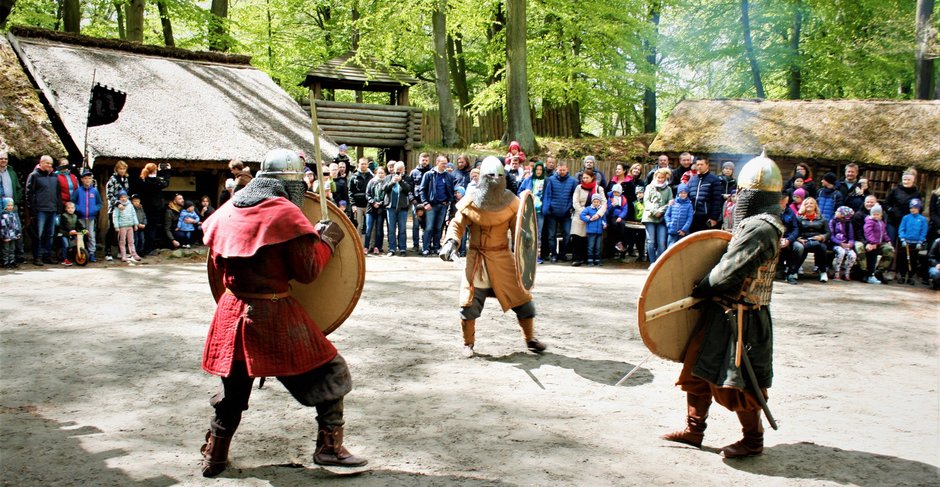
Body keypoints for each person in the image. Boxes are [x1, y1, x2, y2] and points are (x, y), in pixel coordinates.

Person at [199, 148, 367, 477]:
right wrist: (326, 242)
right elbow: (307, 271)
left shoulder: (230, 208)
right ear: (290, 183)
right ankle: (329, 448)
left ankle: (214, 456)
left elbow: (218, 266)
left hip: (231, 313)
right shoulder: (284, 215)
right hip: (272, 314)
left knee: (233, 391)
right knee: (333, 372)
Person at [662, 152, 785, 459]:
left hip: (744, 317)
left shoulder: (761, 227)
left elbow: (729, 270)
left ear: (753, 195)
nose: (738, 197)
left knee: (738, 383)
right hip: (722, 310)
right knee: (696, 369)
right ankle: (694, 430)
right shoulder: (755, 223)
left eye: (743, 193)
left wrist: (702, 288)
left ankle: (752, 439)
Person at [439, 156, 547, 358]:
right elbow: (457, 223)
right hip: (477, 259)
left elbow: (521, 229)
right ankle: (468, 344)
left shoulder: (511, 202)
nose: (495, 179)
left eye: (499, 175)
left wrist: (528, 241)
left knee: (523, 301)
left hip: (503, 259)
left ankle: (530, 339)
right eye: (490, 175)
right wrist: (451, 242)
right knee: (468, 304)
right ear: (482, 177)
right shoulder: (471, 200)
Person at [25, 155, 62, 265]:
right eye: (47, 163)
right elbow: (29, 194)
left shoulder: (55, 177)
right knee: (38, 235)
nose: (49, 166)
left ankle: (47, 255)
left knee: (50, 235)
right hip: (40, 210)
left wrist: (59, 208)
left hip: (53, 209)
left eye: (51, 164)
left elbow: (58, 194)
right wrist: (33, 210)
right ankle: (38, 257)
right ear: (41, 163)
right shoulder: (34, 176)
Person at [418, 155, 456, 256]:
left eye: (446, 163)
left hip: (443, 206)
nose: (445, 165)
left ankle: (436, 247)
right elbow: (422, 189)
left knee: (439, 227)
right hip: (431, 205)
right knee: (429, 227)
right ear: (437, 163)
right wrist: (425, 203)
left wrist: (448, 200)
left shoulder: (448, 176)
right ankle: (425, 248)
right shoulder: (429, 175)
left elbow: (450, 190)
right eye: (443, 163)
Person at [541, 161, 578, 262]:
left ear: (567, 169)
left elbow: (575, 197)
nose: (562, 172)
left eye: (563, 170)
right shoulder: (550, 180)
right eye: (560, 170)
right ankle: (553, 254)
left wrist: (571, 208)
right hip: (552, 213)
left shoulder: (573, 181)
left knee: (567, 235)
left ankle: (563, 254)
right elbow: (547, 195)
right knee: (551, 235)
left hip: (566, 214)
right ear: (557, 170)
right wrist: (547, 209)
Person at [569, 170, 606, 267]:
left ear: (592, 178)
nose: (585, 180)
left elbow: (604, 203)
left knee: (589, 238)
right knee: (576, 236)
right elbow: (575, 202)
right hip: (579, 214)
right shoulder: (578, 188)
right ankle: (576, 258)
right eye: (583, 178)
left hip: (594, 216)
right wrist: (584, 212)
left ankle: (587, 258)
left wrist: (597, 215)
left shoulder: (599, 189)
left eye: (587, 178)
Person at [136, 163, 170, 254]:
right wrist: (166, 171)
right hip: (154, 208)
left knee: (143, 227)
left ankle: (140, 248)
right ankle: (148, 248)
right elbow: (165, 183)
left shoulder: (142, 180)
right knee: (151, 228)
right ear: (155, 171)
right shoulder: (156, 181)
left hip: (144, 207)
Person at [795, 197, 831, 282]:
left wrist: (822, 237)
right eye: (807, 203)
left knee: (822, 248)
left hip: (817, 240)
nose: (809, 205)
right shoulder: (798, 218)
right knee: (801, 248)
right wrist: (798, 238)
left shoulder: (822, 218)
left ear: (815, 206)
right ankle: (794, 271)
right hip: (804, 240)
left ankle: (822, 271)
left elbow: (828, 232)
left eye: (811, 203)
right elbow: (794, 230)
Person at [519, 161, 547, 263]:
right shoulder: (528, 180)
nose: (538, 171)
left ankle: (536, 256)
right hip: (529, 211)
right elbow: (520, 192)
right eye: (537, 169)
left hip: (540, 211)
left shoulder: (546, 181)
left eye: (540, 170)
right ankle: (526, 255)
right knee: (527, 233)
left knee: (538, 234)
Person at [642, 168, 672, 264]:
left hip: (662, 218)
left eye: (662, 177)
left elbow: (670, 203)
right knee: (651, 241)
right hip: (650, 217)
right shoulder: (649, 187)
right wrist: (655, 211)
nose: (660, 179)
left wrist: (661, 211)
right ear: (655, 177)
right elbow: (646, 201)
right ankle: (652, 262)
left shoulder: (668, 189)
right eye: (658, 177)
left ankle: (659, 263)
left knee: (662, 243)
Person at [0, 151, 26, 264]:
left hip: (11, 205)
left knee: (16, 230)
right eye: (1, 158)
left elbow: (19, 187)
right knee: (2, 231)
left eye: (5, 158)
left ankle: (18, 256)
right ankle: (4, 258)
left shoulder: (11, 172)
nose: (4, 160)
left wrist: (16, 200)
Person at [71, 169, 101, 263]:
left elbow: (99, 203)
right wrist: (78, 208)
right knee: (80, 236)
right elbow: (72, 202)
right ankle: (80, 252)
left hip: (91, 218)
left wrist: (95, 209)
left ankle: (91, 253)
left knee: (91, 235)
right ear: (82, 180)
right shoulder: (78, 191)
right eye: (85, 178)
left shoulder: (94, 191)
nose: (87, 180)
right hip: (80, 218)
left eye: (89, 178)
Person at [104, 160, 131, 261]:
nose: (122, 170)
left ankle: (121, 251)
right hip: (114, 208)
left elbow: (126, 193)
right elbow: (109, 195)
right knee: (112, 229)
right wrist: (117, 203)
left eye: (124, 168)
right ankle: (108, 251)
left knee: (123, 230)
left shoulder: (126, 179)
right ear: (116, 169)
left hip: (124, 208)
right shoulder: (112, 180)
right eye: (120, 168)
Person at [687, 158, 723, 233]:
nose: (699, 166)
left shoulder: (714, 180)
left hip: (706, 217)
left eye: (702, 164)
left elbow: (717, 200)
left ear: (707, 165)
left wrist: (714, 217)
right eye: (698, 165)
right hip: (692, 217)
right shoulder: (692, 180)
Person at [884, 170, 921, 244]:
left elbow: (919, 208)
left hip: (908, 223)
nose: (906, 182)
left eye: (908, 180)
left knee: (904, 245)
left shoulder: (916, 193)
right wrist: (892, 210)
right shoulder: (895, 190)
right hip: (893, 221)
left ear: (913, 180)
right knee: (890, 243)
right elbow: (886, 204)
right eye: (904, 179)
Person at [384, 161, 412, 256]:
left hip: (402, 207)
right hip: (390, 207)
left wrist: (400, 181)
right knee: (391, 229)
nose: (398, 172)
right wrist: (392, 182)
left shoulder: (407, 178)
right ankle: (392, 249)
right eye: (397, 170)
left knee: (402, 229)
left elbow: (408, 189)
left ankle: (403, 249)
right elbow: (384, 189)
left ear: (404, 170)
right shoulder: (388, 178)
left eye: (400, 170)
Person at [897, 199, 928, 285]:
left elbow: (923, 231)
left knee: (913, 261)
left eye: (915, 208)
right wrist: (902, 239)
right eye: (911, 208)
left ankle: (911, 277)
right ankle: (902, 276)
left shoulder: (922, 219)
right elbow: (901, 229)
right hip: (906, 243)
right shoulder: (906, 218)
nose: (913, 209)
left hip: (916, 244)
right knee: (903, 260)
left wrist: (920, 241)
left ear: (919, 208)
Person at [862, 204, 893, 284]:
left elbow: (884, 233)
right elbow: (868, 233)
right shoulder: (869, 221)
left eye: (877, 214)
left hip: (878, 243)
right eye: (874, 214)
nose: (875, 216)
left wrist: (888, 240)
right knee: (872, 257)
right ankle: (870, 275)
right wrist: (873, 242)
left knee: (888, 251)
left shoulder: (881, 223)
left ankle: (878, 272)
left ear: (881, 214)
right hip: (871, 243)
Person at [409, 153, 432, 251]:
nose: (425, 162)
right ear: (419, 160)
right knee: (416, 225)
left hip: (428, 203)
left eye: (426, 160)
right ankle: (415, 245)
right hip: (416, 203)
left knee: (428, 225)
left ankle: (426, 245)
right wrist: (412, 199)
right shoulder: (414, 172)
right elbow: (410, 187)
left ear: (429, 161)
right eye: (423, 160)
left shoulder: (432, 172)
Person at [778, 191, 803, 284]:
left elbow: (795, 228)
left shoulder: (790, 212)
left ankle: (791, 272)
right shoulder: (772, 211)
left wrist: (789, 239)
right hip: (775, 238)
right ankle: (778, 269)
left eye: (784, 201)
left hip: (788, 238)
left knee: (799, 247)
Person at [112, 191, 142, 261]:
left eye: (125, 197)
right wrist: (116, 226)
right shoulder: (118, 207)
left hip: (130, 226)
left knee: (131, 241)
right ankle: (123, 255)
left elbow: (134, 215)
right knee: (122, 241)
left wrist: (135, 224)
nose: (123, 198)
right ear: (119, 198)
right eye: (121, 197)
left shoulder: (130, 205)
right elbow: (115, 216)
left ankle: (134, 254)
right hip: (122, 226)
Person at [829, 206, 856, 281]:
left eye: (837, 211)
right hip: (836, 244)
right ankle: (836, 273)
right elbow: (831, 236)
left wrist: (850, 244)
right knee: (841, 252)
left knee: (853, 255)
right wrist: (839, 243)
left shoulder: (848, 224)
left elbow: (851, 237)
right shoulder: (833, 222)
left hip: (846, 244)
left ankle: (847, 273)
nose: (835, 212)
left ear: (843, 215)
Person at [364, 166, 387, 255]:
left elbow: (386, 196)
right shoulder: (371, 182)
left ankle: (377, 247)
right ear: (376, 173)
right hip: (370, 208)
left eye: (382, 173)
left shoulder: (386, 183)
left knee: (379, 229)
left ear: (385, 174)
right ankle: (366, 246)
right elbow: (367, 194)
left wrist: (380, 203)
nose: (380, 175)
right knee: (368, 228)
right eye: (379, 173)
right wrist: (373, 202)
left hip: (380, 209)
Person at [580, 193, 607, 266]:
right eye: (594, 202)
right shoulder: (588, 209)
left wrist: (605, 224)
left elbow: (603, 219)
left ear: (600, 202)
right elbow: (581, 215)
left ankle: (597, 260)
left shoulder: (601, 210)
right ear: (592, 202)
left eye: (597, 202)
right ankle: (590, 260)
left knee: (598, 247)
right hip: (591, 231)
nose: (596, 203)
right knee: (591, 246)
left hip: (599, 231)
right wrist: (588, 219)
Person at [664, 183, 694, 248]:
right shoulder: (673, 203)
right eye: (681, 193)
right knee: (670, 249)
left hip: (683, 233)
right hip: (672, 231)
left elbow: (689, 218)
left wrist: (684, 230)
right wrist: (669, 224)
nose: (683, 195)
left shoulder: (689, 205)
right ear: (678, 193)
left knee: (681, 250)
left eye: (684, 193)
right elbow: (667, 215)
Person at [56, 201, 84, 266]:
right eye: (68, 208)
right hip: (63, 233)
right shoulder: (64, 216)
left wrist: (84, 229)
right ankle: (65, 259)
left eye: (72, 208)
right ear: (66, 209)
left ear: (74, 209)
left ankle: (75, 256)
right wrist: (70, 230)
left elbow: (78, 224)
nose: (70, 209)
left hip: (72, 233)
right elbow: (65, 225)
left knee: (77, 242)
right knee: (65, 244)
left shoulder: (75, 216)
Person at [606, 184, 630, 255]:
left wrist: (620, 217)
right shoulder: (610, 198)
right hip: (612, 215)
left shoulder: (623, 199)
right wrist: (612, 206)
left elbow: (625, 210)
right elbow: (608, 210)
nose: (616, 194)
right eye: (614, 192)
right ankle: (616, 241)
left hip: (620, 216)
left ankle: (620, 241)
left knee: (622, 225)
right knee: (614, 224)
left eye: (617, 192)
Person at [1, 197, 23, 268]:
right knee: (6, 250)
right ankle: (5, 262)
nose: (10, 207)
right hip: (6, 236)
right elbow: (3, 227)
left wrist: (17, 233)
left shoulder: (13, 214)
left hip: (13, 236)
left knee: (12, 249)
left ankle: (12, 261)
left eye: (11, 205)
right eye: (8, 205)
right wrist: (4, 236)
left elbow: (16, 225)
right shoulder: (3, 215)